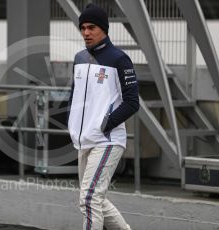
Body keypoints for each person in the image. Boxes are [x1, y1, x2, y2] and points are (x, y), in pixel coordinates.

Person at [67, 3, 139, 230]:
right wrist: (73, 121)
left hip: (107, 139)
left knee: (89, 199)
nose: (86, 32)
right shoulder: (79, 58)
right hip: (84, 139)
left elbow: (132, 102)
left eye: (92, 27)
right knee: (94, 198)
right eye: (83, 28)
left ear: (104, 29)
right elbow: (74, 95)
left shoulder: (119, 59)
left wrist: (105, 124)